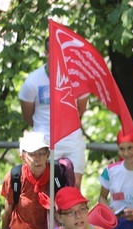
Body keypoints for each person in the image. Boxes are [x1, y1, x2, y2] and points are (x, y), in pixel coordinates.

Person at [19, 37, 88, 188]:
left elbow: (80, 109)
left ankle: (69, 213)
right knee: (46, 187)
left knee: (74, 186)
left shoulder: (76, 78)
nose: (59, 56)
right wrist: (45, 127)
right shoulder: (32, 82)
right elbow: (27, 115)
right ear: (46, 53)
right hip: (45, 141)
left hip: (72, 139)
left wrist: (66, 126)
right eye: (54, 52)